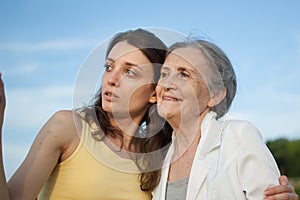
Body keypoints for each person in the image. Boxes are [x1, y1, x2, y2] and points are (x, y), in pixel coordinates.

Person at [0, 29, 297, 200]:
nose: (111, 79)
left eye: (129, 71)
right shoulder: (68, 126)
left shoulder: (154, 159)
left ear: (154, 92)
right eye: (109, 67)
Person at [151, 39, 299, 200]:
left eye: (184, 74)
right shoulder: (159, 159)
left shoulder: (239, 137)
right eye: (164, 74)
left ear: (215, 95)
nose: (167, 83)